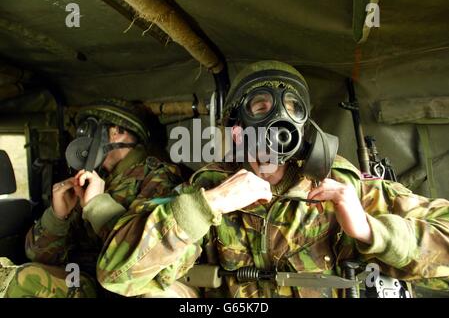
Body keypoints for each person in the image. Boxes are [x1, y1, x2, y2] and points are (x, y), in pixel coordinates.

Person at [95, 62, 449, 298]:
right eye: (261, 108)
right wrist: (208, 206)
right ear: (236, 130)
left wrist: (372, 231)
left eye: (294, 109)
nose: (280, 118)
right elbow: (117, 274)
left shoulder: (344, 188)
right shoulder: (206, 190)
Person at [4, 99, 182, 298]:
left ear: (116, 132)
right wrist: (57, 216)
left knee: (24, 278)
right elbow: (37, 255)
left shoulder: (158, 178)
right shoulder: (93, 180)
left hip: (118, 285)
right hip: (79, 275)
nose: (84, 140)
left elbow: (145, 256)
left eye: (91, 131)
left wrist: (97, 206)